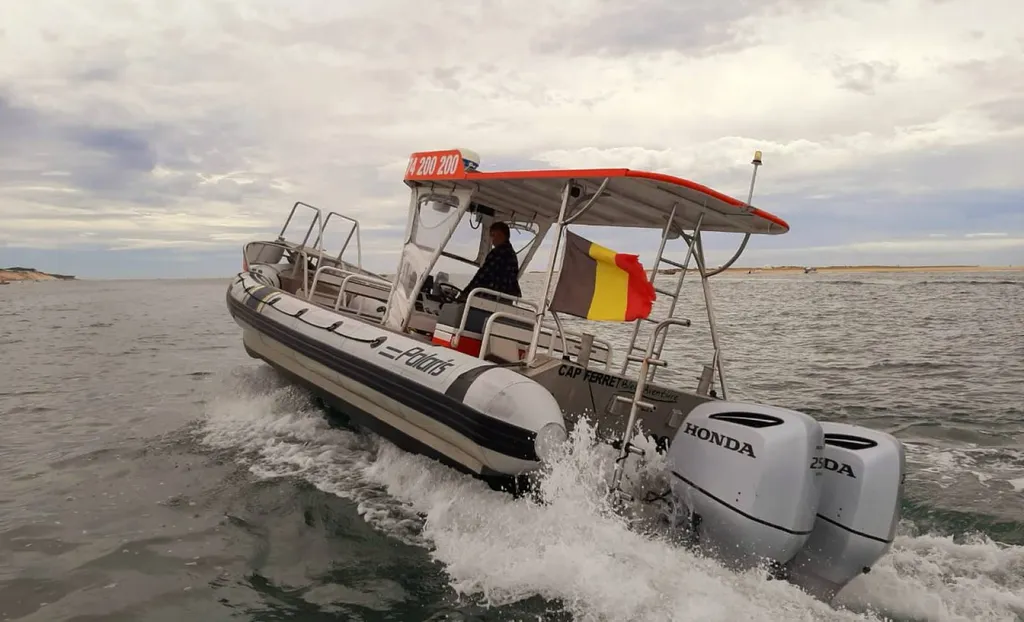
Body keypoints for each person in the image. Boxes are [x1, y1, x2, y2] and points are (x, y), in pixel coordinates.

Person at [459, 221, 522, 301]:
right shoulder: (511, 253)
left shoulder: (498, 252)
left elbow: (482, 275)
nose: (491, 239)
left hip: (492, 298)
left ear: (501, 235)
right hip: (506, 298)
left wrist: (465, 293)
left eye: (493, 235)